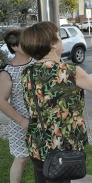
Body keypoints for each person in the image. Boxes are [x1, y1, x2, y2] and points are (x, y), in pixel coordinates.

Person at [20, 21, 92, 183]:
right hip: (62, 145)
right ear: (52, 45)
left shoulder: (27, 72)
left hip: (38, 142)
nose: (61, 40)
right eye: (59, 37)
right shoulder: (68, 70)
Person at [0, 29, 34, 183]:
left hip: (43, 119)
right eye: (26, 41)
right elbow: (1, 100)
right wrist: (21, 121)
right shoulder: (8, 72)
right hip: (20, 123)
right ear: (14, 46)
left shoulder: (38, 62)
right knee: (21, 158)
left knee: (47, 157)